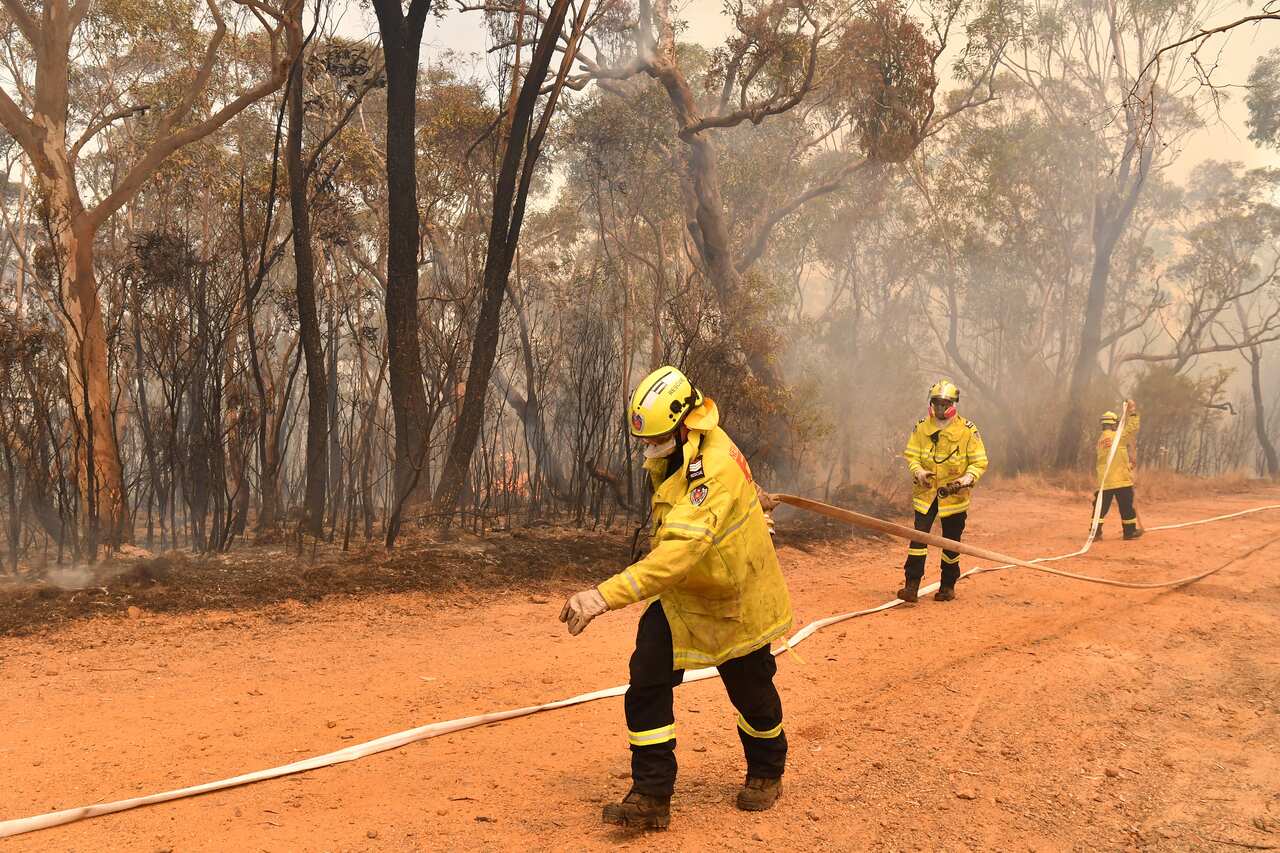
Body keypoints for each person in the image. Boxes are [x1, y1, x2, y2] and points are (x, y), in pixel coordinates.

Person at [559, 365, 793, 831]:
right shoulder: (687, 447)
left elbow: (674, 556)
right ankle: (650, 795)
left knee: (751, 694)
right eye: (644, 441)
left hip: (733, 599)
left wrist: (602, 597)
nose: (649, 449)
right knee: (646, 676)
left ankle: (767, 771)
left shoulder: (715, 469)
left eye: (656, 440)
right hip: (685, 597)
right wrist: (754, 497)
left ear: (685, 423)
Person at [897, 379, 989, 603]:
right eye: (936, 403)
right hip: (926, 494)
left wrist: (966, 479)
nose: (939, 408)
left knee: (951, 541)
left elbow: (979, 462)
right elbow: (912, 456)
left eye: (944, 403)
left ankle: (947, 586)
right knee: (918, 539)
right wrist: (918, 472)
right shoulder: (921, 427)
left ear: (953, 403)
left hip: (954, 496)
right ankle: (911, 586)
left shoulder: (968, 430)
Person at [1093, 400, 1142, 540]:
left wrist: (1128, 465)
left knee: (1100, 508)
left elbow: (1111, 459)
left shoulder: (1101, 440)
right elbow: (1132, 427)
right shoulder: (1117, 437)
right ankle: (1130, 532)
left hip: (1105, 481)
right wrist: (1132, 410)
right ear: (1114, 424)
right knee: (1127, 506)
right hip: (1120, 480)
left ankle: (1095, 533)